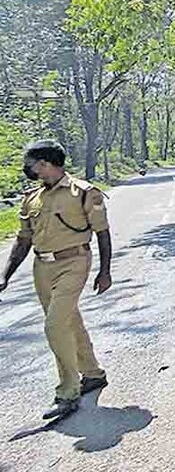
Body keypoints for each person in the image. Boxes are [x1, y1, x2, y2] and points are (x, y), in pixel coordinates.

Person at [0, 140, 112, 420]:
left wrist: (105, 270)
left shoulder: (83, 193)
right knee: (69, 320)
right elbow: (23, 240)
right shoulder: (32, 197)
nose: (28, 168)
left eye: (31, 163)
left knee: (54, 325)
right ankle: (93, 373)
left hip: (74, 262)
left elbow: (102, 232)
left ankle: (67, 392)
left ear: (45, 164)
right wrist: (5, 275)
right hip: (42, 266)